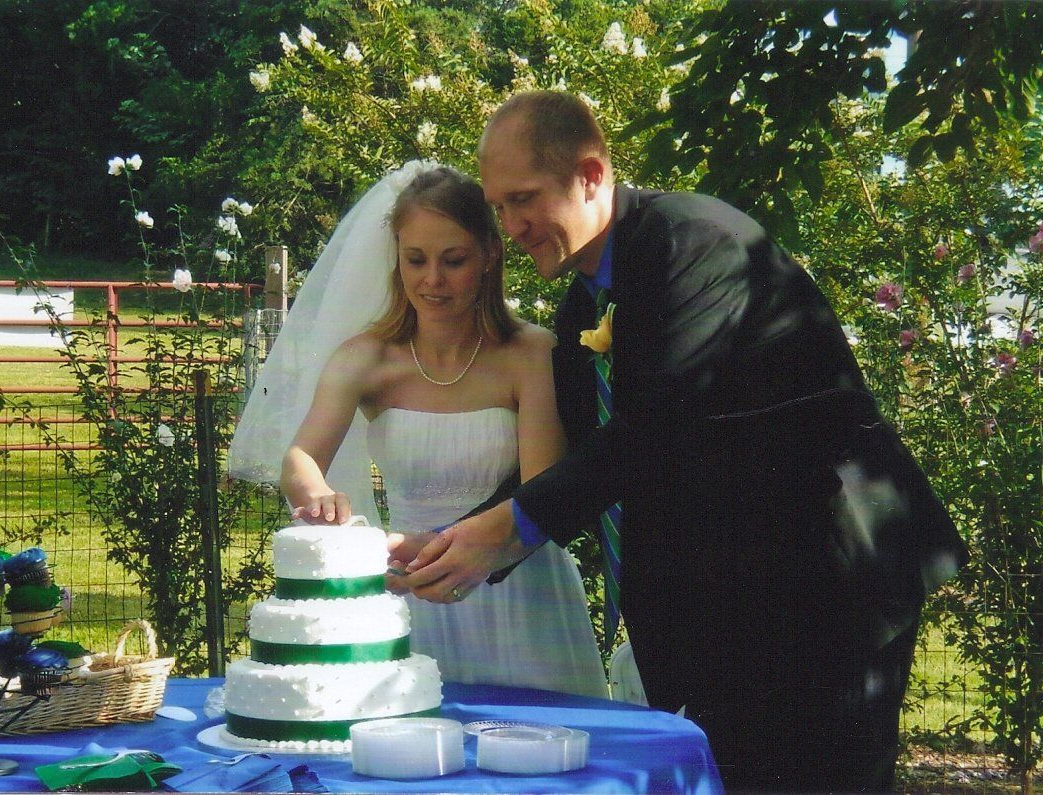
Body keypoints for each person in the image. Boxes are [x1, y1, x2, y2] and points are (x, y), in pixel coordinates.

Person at [393, 91, 970, 791]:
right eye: (499, 207)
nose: (510, 226)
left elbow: (658, 425)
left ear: (592, 175)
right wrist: (452, 545)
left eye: (524, 199)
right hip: (729, 611)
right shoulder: (582, 303)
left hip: (827, 580)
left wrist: (504, 528)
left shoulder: (695, 243)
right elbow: (574, 455)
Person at [228, 161, 606, 699]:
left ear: (489, 256)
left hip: (517, 589)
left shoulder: (530, 354)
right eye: (416, 260)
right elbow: (300, 458)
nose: (432, 280)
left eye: (453, 260)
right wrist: (318, 497)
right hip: (410, 588)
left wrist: (454, 548)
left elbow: (541, 491)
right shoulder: (366, 360)